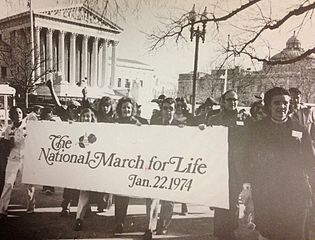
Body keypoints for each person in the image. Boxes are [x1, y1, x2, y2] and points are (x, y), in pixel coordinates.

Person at [248, 87, 315, 240]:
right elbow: (248, 158)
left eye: (285, 103)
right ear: (269, 106)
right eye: (277, 103)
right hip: (268, 196)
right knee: (269, 234)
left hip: (296, 196)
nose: (281, 107)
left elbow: (310, 161)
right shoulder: (256, 130)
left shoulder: (300, 129)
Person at [206, 90, 250, 240]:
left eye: (235, 100)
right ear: (223, 102)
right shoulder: (213, 119)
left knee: (233, 202)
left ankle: (230, 231)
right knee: (219, 201)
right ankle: (219, 232)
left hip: (236, 168)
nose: (233, 102)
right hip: (219, 167)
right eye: (230, 99)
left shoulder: (245, 118)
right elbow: (206, 141)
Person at [143, 97, 177, 240]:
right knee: (151, 198)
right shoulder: (153, 125)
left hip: (171, 166)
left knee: (168, 199)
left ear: (174, 111)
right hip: (155, 165)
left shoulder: (180, 127)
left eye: (171, 109)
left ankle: (163, 226)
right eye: (165, 108)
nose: (168, 111)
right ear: (161, 110)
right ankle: (150, 226)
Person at [114, 97, 148, 234]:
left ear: (132, 109)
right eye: (124, 107)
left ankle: (149, 225)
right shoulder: (115, 123)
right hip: (119, 164)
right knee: (121, 195)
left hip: (134, 163)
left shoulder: (139, 124)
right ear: (120, 109)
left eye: (128, 107)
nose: (126, 110)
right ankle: (119, 222)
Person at [46, 79, 81, 216]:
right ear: (68, 109)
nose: (74, 110)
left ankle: (83, 206)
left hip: (82, 154)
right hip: (69, 154)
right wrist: (51, 88)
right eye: (72, 107)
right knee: (69, 182)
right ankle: (65, 205)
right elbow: (57, 103)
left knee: (81, 182)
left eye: (77, 108)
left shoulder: (84, 119)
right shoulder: (66, 117)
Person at [0, 106, 35, 220]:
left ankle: (30, 208)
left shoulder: (28, 127)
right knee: (8, 184)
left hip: (26, 159)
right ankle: (2, 210)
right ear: (11, 116)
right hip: (13, 159)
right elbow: (5, 150)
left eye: (20, 112)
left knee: (29, 184)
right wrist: (8, 143)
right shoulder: (8, 129)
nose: (18, 114)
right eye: (15, 113)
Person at [74, 108, 99, 231]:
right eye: (84, 116)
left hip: (93, 165)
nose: (86, 118)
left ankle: (81, 215)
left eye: (89, 116)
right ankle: (79, 217)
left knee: (87, 192)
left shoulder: (98, 130)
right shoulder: (75, 128)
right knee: (83, 192)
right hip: (81, 165)